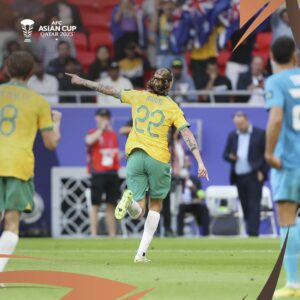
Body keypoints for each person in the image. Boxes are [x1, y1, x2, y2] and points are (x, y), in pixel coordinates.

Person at [66, 67, 208, 263]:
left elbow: (108, 89)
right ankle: (140, 254)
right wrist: (200, 161)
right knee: (156, 205)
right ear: (169, 84)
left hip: (134, 156)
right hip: (158, 158)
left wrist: (83, 82)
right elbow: (187, 134)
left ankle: (129, 202)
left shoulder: (137, 96)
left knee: (138, 210)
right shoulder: (172, 106)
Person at [0, 51, 61, 278]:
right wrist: (57, 123)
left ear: (6, 69)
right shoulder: (39, 102)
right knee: (12, 223)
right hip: (18, 164)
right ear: (31, 72)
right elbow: (51, 143)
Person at [264, 36, 300, 298]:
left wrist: (268, 152)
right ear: (295, 56)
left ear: (272, 58)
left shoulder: (275, 82)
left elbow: (276, 118)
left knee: (287, 218)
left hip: (288, 160)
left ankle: (294, 284)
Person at [223, 111, 269, 237]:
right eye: (237, 124)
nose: (240, 126)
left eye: (241, 123)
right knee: (245, 205)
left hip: (254, 175)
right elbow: (225, 155)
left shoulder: (260, 134)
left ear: (247, 120)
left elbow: (267, 154)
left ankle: (253, 233)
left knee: (254, 204)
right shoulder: (232, 135)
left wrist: (263, 172)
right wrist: (231, 157)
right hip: (239, 176)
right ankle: (250, 229)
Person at [86, 109, 120, 237]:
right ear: (97, 118)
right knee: (95, 204)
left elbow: (114, 152)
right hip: (98, 173)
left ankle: (112, 234)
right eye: (101, 116)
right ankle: (93, 233)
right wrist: (101, 129)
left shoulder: (113, 135)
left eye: (106, 117)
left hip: (112, 173)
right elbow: (89, 141)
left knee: (111, 204)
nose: (104, 119)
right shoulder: (93, 132)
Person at [177, 156, 209, 236]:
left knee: (203, 208)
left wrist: (197, 198)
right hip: (181, 204)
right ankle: (179, 234)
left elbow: (199, 194)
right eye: (185, 161)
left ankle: (206, 234)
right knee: (180, 209)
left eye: (188, 161)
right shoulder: (176, 179)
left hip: (192, 203)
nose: (187, 163)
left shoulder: (195, 179)